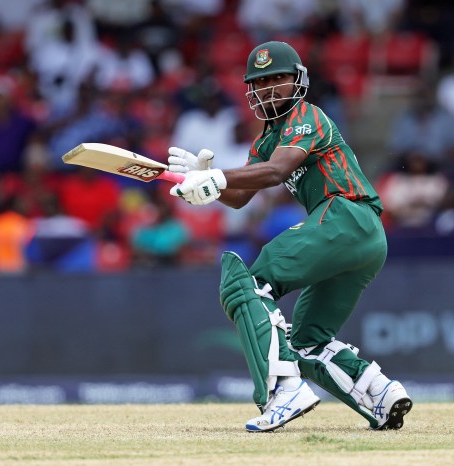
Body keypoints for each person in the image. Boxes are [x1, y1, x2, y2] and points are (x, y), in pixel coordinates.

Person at [166, 41, 412, 432]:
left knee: (247, 285)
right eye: (260, 82)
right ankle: (379, 392)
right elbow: (240, 198)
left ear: (298, 81)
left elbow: (277, 171)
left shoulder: (306, 116)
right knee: (307, 341)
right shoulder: (265, 140)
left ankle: (283, 391)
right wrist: (201, 177)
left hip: (347, 217)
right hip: (361, 238)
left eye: (278, 78)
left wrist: (218, 177)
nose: (270, 89)